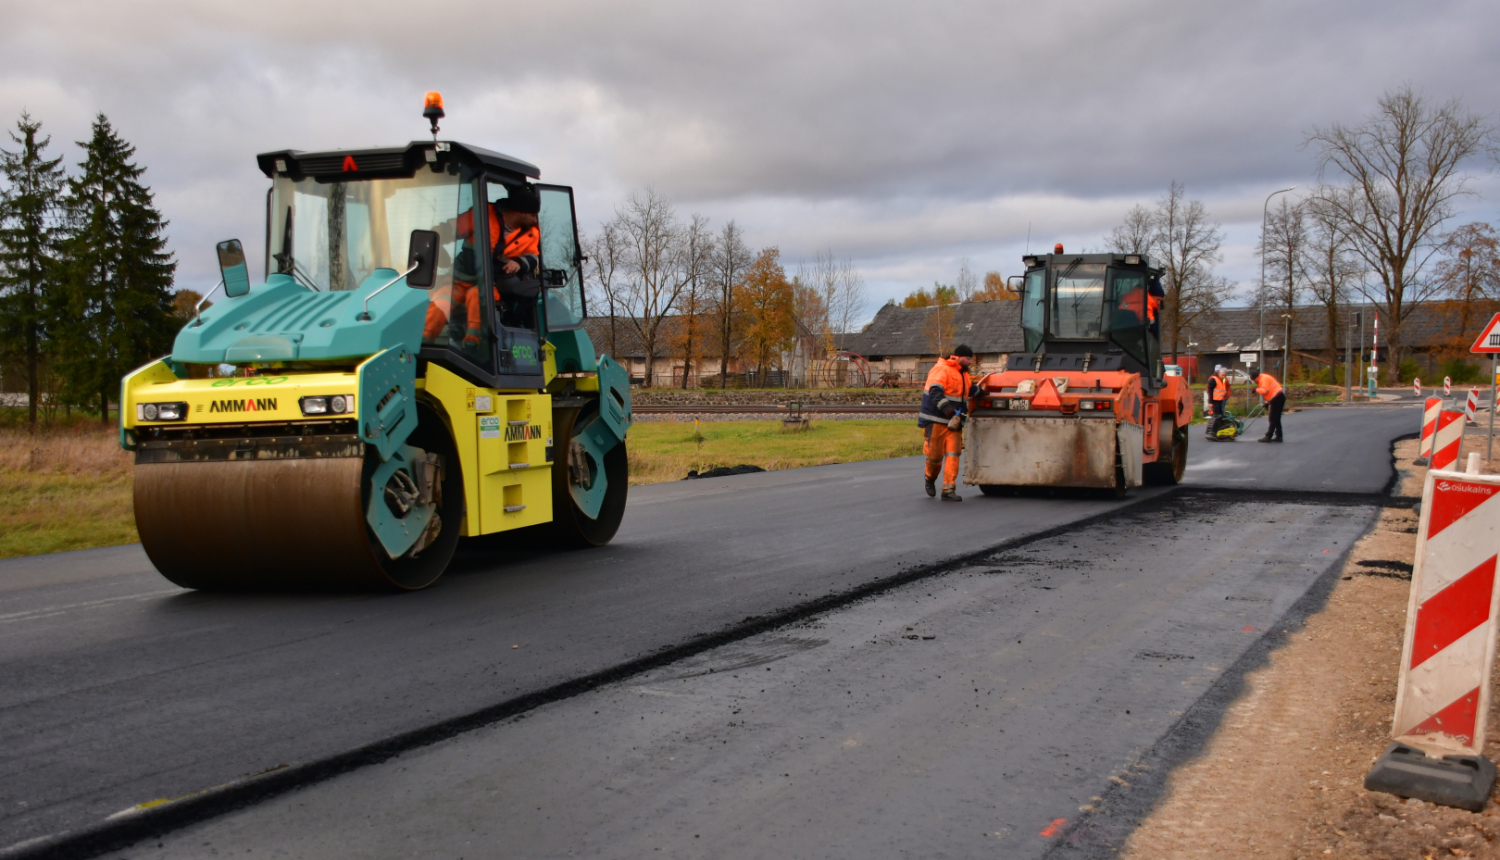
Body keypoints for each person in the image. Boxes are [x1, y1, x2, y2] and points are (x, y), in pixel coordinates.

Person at [422, 188, 542, 344]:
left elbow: (532, 257)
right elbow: (452, 228)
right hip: (459, 279)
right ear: (520, 212)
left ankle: (473, 343)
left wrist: (519, 263)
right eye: (533, 215)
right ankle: (423, 341)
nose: (535, 221)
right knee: (443, 299)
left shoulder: (531, 233)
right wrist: (433, 238)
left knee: (477, 296)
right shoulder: (483, 215)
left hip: (489, 284)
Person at [919, 344, 982, 501]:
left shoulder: (963, 373)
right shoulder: (942, 369)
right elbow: (935, 392)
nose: (970, 362)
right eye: (968, 359)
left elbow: (970, 390)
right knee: (934, 456)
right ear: (958, 357)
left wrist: (985, 392)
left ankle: (948, 489)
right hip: (936, 421)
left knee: (953, 454)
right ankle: (929, 478)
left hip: (954, 423)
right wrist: (948, 409)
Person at [1255, 370, 1286, 443]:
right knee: (1276, 418)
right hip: (1277, 397)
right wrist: (1267, 402)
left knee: (1273, 418)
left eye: (1254, 380)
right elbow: (1270, 392)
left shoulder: (1263, 379)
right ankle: (1279, 436)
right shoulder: (1264, 378)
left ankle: (1268, 436)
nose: (1255, 382)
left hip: (1277, 398)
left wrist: (1256, 389)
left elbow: (1264, 391)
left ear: (1256, 378)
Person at [1204, 365, 1230, 438]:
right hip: (1215, 401)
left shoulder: (1223, 379)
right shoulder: (1213, 379)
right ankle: (1214, 431)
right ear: (1219, 373)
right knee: (1217, 416)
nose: (1224, 377)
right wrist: (1210, 402)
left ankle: (1219, 430)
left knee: (1220, 415)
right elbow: (1210, 391)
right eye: (1222, 375)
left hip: (1220, 400)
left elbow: (1225, 388)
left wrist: (1226, 396)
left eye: (1225, 375)